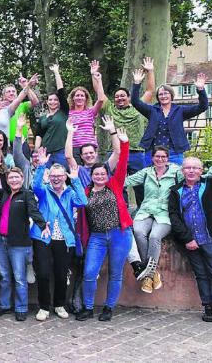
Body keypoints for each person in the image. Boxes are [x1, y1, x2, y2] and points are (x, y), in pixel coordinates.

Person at [124, 146, 212, 292]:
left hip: (164, 213)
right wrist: (104, 179)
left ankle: (147, 275)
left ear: (167, 158)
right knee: (137, 231)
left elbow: (200, 177)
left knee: (155, 236)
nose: (160, 159)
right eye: (157, 156)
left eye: (163, 157)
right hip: (145, 211)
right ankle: (152, 273)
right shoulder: (146, 173)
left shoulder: (176, 172)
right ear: (152, 158)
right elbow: (125, 182)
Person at [169, 155, 212, 327]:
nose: (191, 171)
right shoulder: (176, 191)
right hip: (190, 241)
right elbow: (174, 216)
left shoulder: (211, 185)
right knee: (201, 275)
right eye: (188, 168)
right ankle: (208, 307)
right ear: (182, 171)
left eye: (195, 168)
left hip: (209, 237)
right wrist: (187, 239)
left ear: (201, 170)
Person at [76, 129, 131, 322]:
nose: (99, 176)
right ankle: (88, 307)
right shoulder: (86, 191)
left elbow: (122, 163)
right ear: (91, 176)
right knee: (90, 272)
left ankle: (108, 307)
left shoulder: (115, 184)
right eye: (96, 174)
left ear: (107, 174)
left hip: (119, 234)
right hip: (97, 237)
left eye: (102, 173)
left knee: (116, 273)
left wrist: (124, 143)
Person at [31, 149, 87, 321]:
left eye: (60, 176)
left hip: (64, 238)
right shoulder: (44, 191)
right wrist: (41, 166)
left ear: (64, 177)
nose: (56, 178)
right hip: (43, 236)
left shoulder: (70, 192)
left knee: (61, 274)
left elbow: (83, 202)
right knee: (43, 273)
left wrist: (76, 180)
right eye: (53, 175)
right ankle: (43, 306)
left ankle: (59, 304)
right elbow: (36, 186)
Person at [0, 167, 49, 321]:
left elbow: (33, 211)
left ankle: (21, 307)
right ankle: (4, 305)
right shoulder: (5, 193)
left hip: (18, 243)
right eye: (11, 178)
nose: (14, 180)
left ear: (22, 179)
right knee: (4, 276)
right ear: (7, 180)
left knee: (19, 277)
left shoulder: (27, 194)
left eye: (17, 177)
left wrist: (43, 225)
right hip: (0, 241)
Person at [96, 57, 155, 203]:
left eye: (123, 96)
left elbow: (150, 90)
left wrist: (150, 71)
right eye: (117, 96)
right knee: (117, 185)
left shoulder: (138, 107)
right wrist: (96, 77)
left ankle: (143, 214)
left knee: (140, 185)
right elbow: (101, 96)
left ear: (129, 97)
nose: (119, 98)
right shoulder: (110, 108)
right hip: (116, 152)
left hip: (136, 152)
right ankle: (123, 214)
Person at [131, 62, 208, 166]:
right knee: (151, 178)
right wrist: (137, 83)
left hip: (174, 153)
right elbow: (135, 102)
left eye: (166, 93)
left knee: (176, 178)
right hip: (153, 152)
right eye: (160, 94)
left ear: (171, 95)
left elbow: (202, 107)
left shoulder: (180, 110)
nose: (163, 96)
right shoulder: (152, 110)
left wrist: (201, 90)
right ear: (158, 97)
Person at [66, 61, 106, 163]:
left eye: (82, 96)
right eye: (77, 95)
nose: (79, 98)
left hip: (89, 148)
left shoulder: (90, 112)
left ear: (86, 98)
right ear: (73, 98)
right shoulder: (68, 113)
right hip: (74, 148)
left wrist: (97, 78)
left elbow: (101, 99)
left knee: (92, 173)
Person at [65, 116, 121, 188]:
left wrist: (112, 130)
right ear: (81, 156)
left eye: (91, 152)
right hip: (85, 198)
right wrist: (70, 132)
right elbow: (68, 156)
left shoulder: (105, 167)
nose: (89, 155)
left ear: (96, 153)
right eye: (85, 153)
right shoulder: (79, 170)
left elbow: (117, 152)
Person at [34, 64, 69, 167]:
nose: (53, 102)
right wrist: (36, 150)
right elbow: (39, 135)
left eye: (55, 100)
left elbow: (61, 92)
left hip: (60, 151)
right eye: (50, 100)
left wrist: (56, 72)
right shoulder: (43, 118)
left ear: (59, 102)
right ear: (47, 101)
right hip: (45, 152)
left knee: (61, 175)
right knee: (45, 177)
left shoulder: (63, 112)